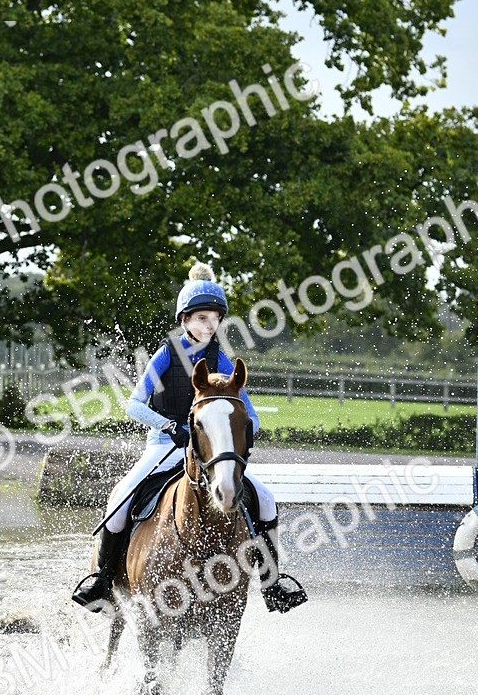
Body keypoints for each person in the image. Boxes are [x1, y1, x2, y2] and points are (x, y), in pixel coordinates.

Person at [71, 263, 307, 613]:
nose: (209, 325)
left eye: (215, 319)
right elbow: (134, 405)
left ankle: (271, 584)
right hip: (164, 445)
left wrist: (234, 440)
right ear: (184, 320)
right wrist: (170, 427)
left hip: (209, 453)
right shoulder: (168, 353)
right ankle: (102, 580)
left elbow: (252, 417)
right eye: (201, 318)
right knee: (119, 502)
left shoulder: (222, 360)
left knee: (267, 500)